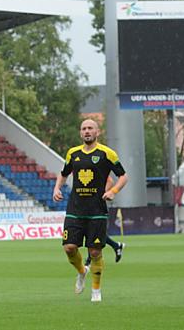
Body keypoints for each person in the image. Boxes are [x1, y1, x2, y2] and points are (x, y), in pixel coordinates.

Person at [53, 119, 128, 303]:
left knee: (95, 252)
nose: (87, 131)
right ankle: (81, 271)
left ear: (97, 132)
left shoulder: (106, 153)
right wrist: (57, 188)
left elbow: (123, 176)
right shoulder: (73, 153)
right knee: (69, 248)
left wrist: (113, 191)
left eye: (90, 128)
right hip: (75, 208)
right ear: (80, 133)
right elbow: (63, 173)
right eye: (84, 128)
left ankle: (96, 290)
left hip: (97, 209)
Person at [84, 177, 125, 266]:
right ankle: (116, 246)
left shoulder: (94, 167)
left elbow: (110, 181)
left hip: (97, 206)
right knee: (92, 232)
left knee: (93, 232)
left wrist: (100, 195)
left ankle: (89, 260)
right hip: (87, 205)